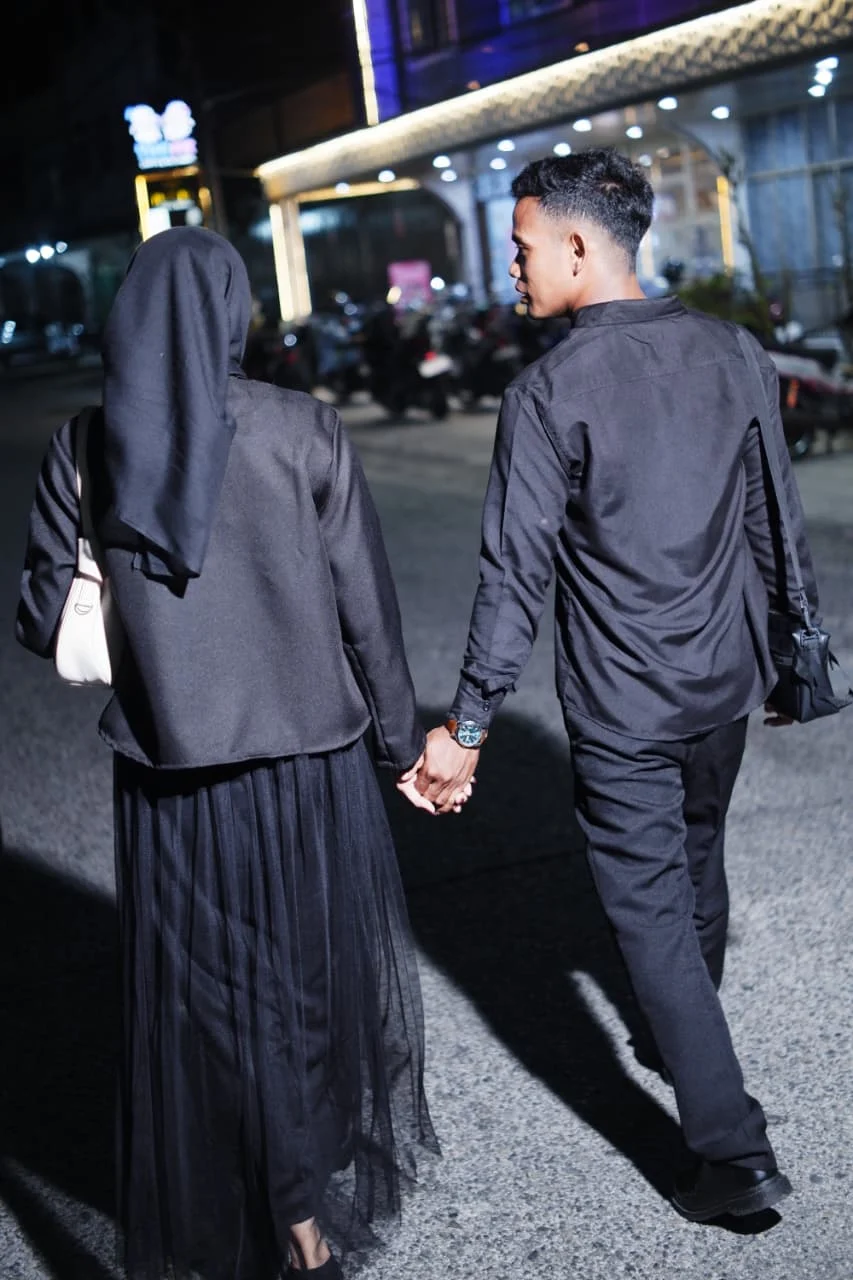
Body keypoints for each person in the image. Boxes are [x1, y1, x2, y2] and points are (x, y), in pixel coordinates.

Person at [16, 227, 454, 1279]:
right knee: (307, 986)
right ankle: (302, 1205)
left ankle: (268, 1198)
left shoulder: (84, 445)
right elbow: (366, 611)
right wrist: (406, 745)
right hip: (307, 766)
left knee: (210, 996)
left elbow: (39, 616)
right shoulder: (303, 428)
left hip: (170, 777)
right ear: (231, 314)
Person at [415, 149, 820, 1222]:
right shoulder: (733, 350)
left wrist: (466, 726)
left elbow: (514, 575)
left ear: (576, 245)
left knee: (649, 913)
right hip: (723, 682)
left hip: (624, 705)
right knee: (697, 858)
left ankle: (730, 1151)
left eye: (520, 246)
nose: (511, 265)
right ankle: (687, 1026)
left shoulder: (548, 391)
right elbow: (774, 519)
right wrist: (792, 655)